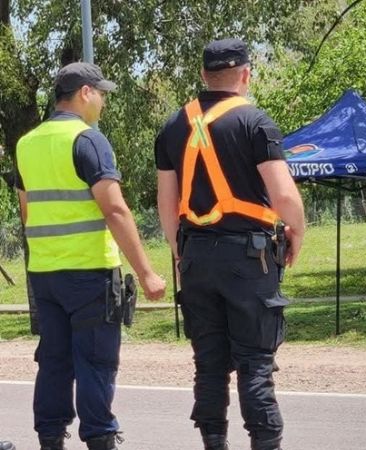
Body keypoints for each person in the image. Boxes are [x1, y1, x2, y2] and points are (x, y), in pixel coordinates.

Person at [155, 38, 305, 450]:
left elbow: (166, 203)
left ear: (204, 76)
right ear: (245, 75)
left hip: (196, 257)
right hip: (248, 257)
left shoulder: (172, 126)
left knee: (209, 365)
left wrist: (179, 250)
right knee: (255, 365)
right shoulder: (255, 121)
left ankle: (214, 445)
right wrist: (297, 234)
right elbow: (285, 197)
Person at [14, 62, 166, 450]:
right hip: (89, 273)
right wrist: (147, 273)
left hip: (44, 275)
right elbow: (115, 210)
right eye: (101, 93)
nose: (103, 101)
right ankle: (100, 439)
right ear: (85, 93)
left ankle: (50, 438)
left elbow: (28, 211)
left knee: (54, 361)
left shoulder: (26, 144)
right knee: (96, 361)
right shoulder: (88, 140)